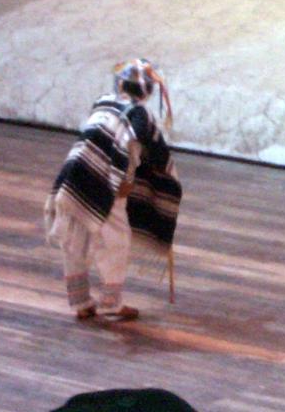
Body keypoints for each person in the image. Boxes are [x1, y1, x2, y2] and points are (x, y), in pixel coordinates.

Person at [44, 59, 183, 320]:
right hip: (108, 184)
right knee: (115, 241)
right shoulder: (141, 115)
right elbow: (146, 151)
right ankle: (111, 303)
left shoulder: (104, 103)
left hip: (74, 175)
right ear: (148, 90)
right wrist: (163, 181)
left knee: (75, 237)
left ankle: (80, 302)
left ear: (119, 84)